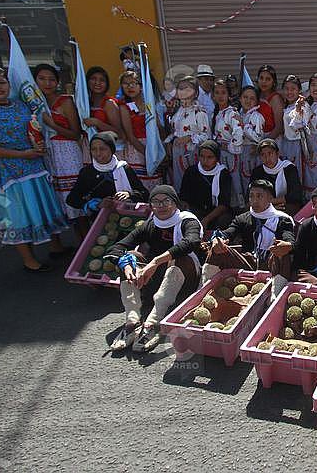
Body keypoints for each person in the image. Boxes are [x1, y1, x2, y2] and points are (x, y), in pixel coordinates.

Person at [0, 65, 69, 272]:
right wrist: (21, 154)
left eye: (1, 82)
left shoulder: (20, 105)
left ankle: (57, 246)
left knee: (41, 207)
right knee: (18, 214)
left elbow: (33, 128)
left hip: (33, 165)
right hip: (6, 171)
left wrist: (36, 145)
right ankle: (29, 260)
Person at [106, 185, 203, 352]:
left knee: (180, 258)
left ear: (175, 203)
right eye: (156, 202)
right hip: (157, 281)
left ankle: (153, 322)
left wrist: (155, 262)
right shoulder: (150, 224)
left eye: (166, 201)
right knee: (129, 256)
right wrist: (126, 265)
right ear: (151, 205)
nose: (161, 206)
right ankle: (132, 320)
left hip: (186, 279)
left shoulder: (187, 220)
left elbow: (191, 242)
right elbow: (116, 248)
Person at [203, 179, 295, 296]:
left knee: (283, 253)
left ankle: (275, 296)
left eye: (259, 196)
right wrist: (217, 239)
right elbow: (228, 233)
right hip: (248, 262)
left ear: (271, 198)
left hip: (272, 264)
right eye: (251, 196)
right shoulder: (242, 218)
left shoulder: (283, 219)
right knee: (217, 248)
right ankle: (206, 291)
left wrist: (287, 245)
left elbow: (289, 239)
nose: (254, 200)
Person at [66, 131, 149, 237]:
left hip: (129, 220)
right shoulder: (87, 173)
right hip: (102, 225)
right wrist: (95, 204)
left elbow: (144, 194)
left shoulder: (124, 168)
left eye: (103, 149)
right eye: (94, 149)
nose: (98, 153)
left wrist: (129, 195)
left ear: (112, 150)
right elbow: (72, 199)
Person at [34, 64, 88, 222]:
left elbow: (75, 133)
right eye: (42, 79)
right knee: (62, 203)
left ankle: (87, 242)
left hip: (67, 153)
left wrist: (52, 124)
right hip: (49, 154)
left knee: (76, 199)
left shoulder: (65, 101)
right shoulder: (35, 104)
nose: (47, 83)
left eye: (51, 79)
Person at [118, 70, 163, 190]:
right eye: (126, 83)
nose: (130, 87)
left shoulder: (149, 104)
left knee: (155, 182)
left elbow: (158, 127)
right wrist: (148, 154)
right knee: (140, 184)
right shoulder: (124, 107)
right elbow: (130, 136)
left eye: (134, 83)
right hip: (136, 149)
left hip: (152, 145)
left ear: (141, 86)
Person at [166, 76, 209, 191]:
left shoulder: (199, 112)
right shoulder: (177, 111)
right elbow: (175, 131)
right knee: (180, 182)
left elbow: (206, 136)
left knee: (193, 183)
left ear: (195, 93)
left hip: (192, 153)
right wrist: (170, 141)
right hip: (177, 153)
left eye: (188, 89)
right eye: (181, 88)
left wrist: (190, 137)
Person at [179, 139, 233, 232]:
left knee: (224, 220)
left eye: (210, 157)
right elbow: (184, 198)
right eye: (202, 156)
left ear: (216, 158)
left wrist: (206, 220)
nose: (205, 161)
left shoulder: (223, 174)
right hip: (196, 210)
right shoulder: (191, 171)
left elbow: (224, 204)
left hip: (215, 213)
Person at [210, 77, 245, 208]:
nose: (220, 96)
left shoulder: (232, 113)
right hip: (220, 154)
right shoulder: (216, 113)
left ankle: (239, 208)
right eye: (217, 92)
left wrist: (229, 145)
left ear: (229, 95)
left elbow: (238, 134)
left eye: (223, 92)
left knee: (234, 181)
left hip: (230, 154)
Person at [249, 138, 303, 215]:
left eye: (270, 153)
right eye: (263, 155)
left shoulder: (288, 168)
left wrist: (271, 203)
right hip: (263, 205)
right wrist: (269, 206)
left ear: (277, 154)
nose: (267, 158)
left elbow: (294, 195)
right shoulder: (258, 172)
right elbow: (252, 194)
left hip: (285, 204)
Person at [83, 66, 124, 163]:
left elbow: (120, 134)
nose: (97, 83)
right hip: (88, 150)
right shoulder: (84, 104)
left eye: (102, 80)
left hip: (106, 153)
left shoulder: (109, 103)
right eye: (93, 79)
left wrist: (98, 123)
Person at [281, 74, 310, 166]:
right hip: (287, 144)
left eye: (293, 89)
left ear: (299, 90)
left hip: (299, 144)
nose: (289, 92)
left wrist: (298, 109)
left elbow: (301, 123)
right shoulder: (288, 106)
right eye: (286, 89)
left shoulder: (303, 105)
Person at [240, 85, 266, 184]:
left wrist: (243, 126)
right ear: (240, 98)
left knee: (250, 180)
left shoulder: (257, 116)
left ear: (256, 101)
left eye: (252, 98)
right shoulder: (239, 114)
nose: (248, 101)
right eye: (245, 97)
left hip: (251, 152)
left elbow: (258, 137)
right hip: (240, 152)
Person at [257, 65, 284, 140]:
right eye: (261, 78)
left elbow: (279, 127)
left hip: (272, 141)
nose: (264, 81)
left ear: (273, 82)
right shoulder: (255, 96)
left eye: (268, 79)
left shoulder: (276, 99)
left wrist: (264, 143)